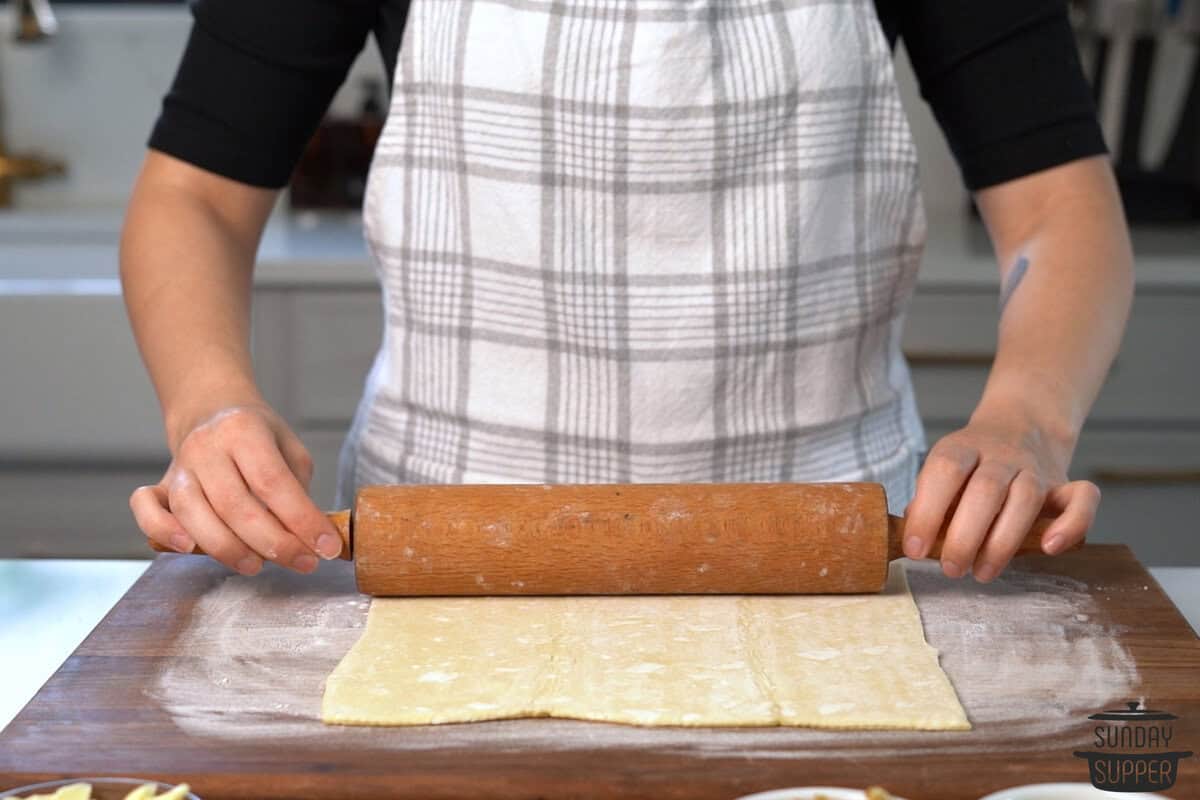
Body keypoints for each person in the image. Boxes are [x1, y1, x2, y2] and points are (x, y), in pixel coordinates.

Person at [123, 0, 1133, 585]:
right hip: (443, 552)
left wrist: (1025, 419)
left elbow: (1058, 206)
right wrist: (210, 399)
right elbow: (194, 193)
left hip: (837, 547)